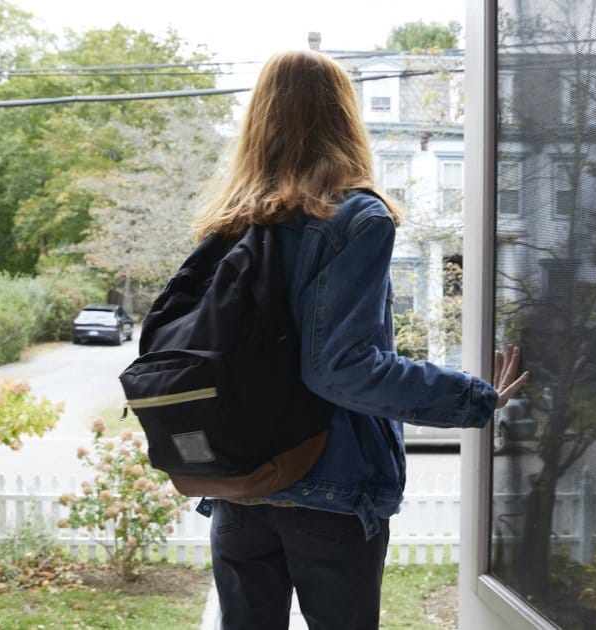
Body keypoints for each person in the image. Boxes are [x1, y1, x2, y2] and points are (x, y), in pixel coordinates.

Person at [189, 49, 530, 630]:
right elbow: (340, 368)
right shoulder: (356, 218)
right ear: (344, 116)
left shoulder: (232, 220)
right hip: (331, 487)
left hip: (241, 484)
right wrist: (472, 398)